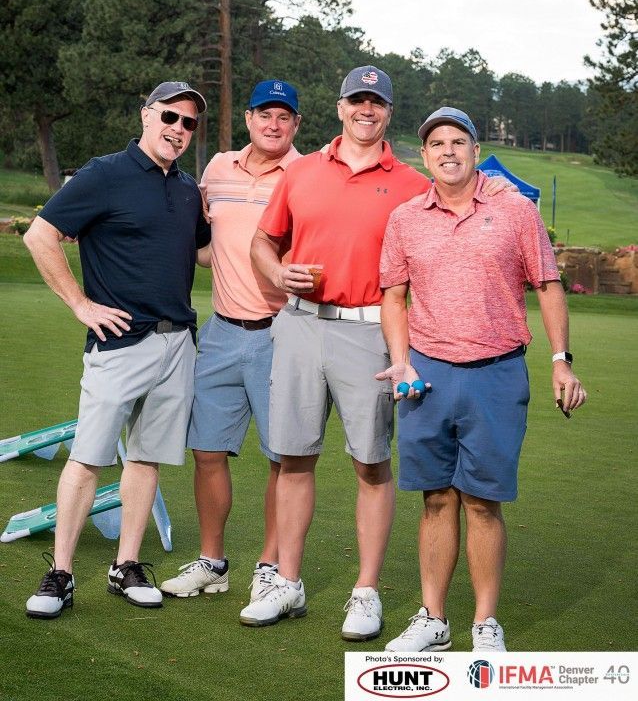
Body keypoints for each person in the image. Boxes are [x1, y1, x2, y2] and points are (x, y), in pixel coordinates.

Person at [246, 69, 508, 640]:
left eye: (377, 103)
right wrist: (277, 273)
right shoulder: (302, 171)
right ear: (341, 108)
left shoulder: (413, 182)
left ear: (388, 112)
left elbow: (467, 192)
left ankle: (366, 592)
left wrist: (503, 191)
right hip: (300, 325)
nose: (367, 110)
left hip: (370, 332)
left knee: (370, 463)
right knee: (293, 457)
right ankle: (286, 582)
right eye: (357, 101)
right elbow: (263, 241)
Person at [378, 106, 587, 653]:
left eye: (458, 141)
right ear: (424, 156)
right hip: (426, 375)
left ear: (475, 151)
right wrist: (401, 359)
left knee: (482, 502)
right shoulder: (405, 218)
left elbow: (548, 286)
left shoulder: (515, 210)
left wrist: (560, 359)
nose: (447, 151)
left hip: (496, 373)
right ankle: (433, 619)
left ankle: (485, 622)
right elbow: (393, 297)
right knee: (436, 499)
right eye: (436, 143)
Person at [22, 81, 211, 618]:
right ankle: (61, 574)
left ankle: (125, 565)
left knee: (146, 459)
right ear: (146, 115)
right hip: (120, 342)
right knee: (87, 458)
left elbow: (204, 253)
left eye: (189, 123)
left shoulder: (187, 189)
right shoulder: (105, 173)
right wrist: (81, 305)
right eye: (170, 117)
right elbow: (39, 236)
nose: (178, 129)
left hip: (178, 342)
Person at [160, 79, 301, 603]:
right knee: (206, 451)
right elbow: (202, 240)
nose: (273, 124)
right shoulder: (218, 168)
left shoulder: (307, 175)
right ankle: (212, 562)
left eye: (283, 116)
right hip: (220, 332)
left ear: (296, 124)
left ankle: (270, 566)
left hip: (281, 333)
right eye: (265, 114)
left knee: (284, 458)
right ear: (248, 118)